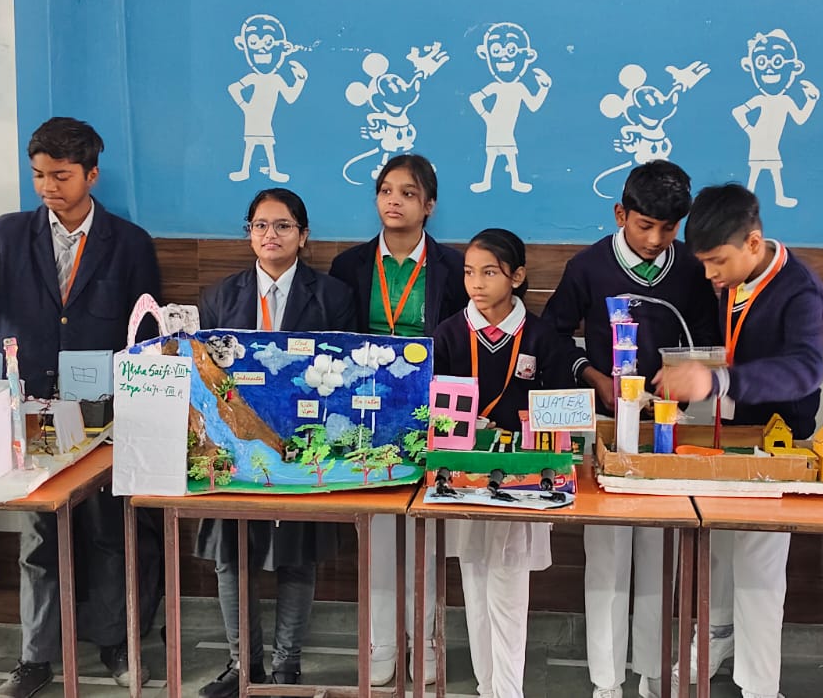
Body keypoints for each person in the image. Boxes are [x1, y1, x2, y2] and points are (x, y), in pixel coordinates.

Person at [0, 117, 165, 698]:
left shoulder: (129, 242)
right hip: (31, 412)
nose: (48, 187)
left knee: (110, 533)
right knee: (40, 538)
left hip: (106, 413)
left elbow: (146, 331)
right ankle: (36, 658)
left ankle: (117, 643)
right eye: (39, 175)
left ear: (91, 175)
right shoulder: (10, 234)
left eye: (61, 176)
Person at [541, 160, 718, 698]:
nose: (655, 239)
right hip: (606, 427)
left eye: (668, 229)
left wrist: (688, 382)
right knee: (608, 556)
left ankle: (653, 671)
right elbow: (550, 337)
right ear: (621, 214)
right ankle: (606, 680)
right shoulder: (587, 266)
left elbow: (708, 343)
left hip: (669, 429)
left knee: (660, 555)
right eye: (645, 225)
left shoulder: (692, 271)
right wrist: (593, 377)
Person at [654, 182, 823, 698]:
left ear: (753, 242)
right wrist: (691, 373)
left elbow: (807, 370)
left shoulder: (800, 289)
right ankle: (714, 640)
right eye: (703, 263)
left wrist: (717, 380)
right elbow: (732, 347)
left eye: (717, 262)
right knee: (717, 552)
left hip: (777, 446)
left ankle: (760, 684)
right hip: (727, 435)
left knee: (760, 573)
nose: (710, 274)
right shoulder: (735, 277)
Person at [194, 188, 355, 697]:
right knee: (230, 556)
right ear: (249, 234)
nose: (270, 235)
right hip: (233, 447)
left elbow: (344, 380)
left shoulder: (332, 297)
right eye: (260, 225)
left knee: (296, 556)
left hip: (303, 447)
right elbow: (205, 377)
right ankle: (242, 665)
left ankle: (288, 666)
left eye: (283, 225)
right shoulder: (220, 297)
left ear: (303, 236)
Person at [329, 153, 466, 683]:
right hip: (366, 417)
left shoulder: (454, 268)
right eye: (386, 190)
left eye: (408, 193)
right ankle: (381, 643)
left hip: (431, 413)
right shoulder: (349, 266)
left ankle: (426, 643)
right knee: (378, 530)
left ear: (429, 205)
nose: (394, 201)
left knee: (425, 529)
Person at [430, 228, 576, 698]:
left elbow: (560, 407)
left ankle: (507, 690)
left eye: (489, 272)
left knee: (510, 589)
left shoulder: (542, 336)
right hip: (465, 476)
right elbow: (434, 407)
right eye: (469, 272)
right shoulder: (448, 333)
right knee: (474, 581)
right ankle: (485, 684)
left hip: (524, 480)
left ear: (517, 276)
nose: (476, 283)